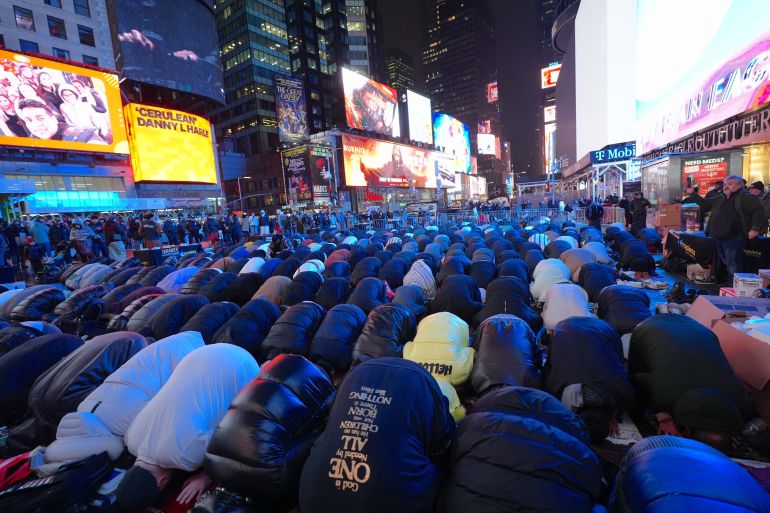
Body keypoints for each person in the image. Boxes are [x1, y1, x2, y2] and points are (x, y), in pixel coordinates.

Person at [115, 343, 259, 511]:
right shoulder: (130, 438)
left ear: (161, 483)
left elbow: (230, 435)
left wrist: (206, 476)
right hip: (201, 354)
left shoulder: (184, 458)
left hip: (242, 363)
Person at [685, 175, 767, 277]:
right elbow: (705, 204)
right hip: (720, 236)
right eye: (725, 184)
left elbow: (758, 212)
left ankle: (735, 286)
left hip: (735, 237)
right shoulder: (722, 197)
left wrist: (755, 229)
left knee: (733, 263)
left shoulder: (746, 196)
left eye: (730, 183)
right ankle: (731, 285)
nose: (726, 186)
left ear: (738, 185)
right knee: (727, 262)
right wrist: (693, 193)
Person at [16, 99, 106, 144]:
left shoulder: (83, 136)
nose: (35, 125)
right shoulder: (28, 144)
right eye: (29, 120)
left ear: (54, 119)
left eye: (40, 118)